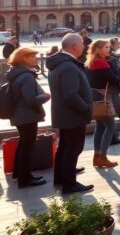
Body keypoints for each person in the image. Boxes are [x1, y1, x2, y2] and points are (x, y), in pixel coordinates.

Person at [47, 33, 94, 194]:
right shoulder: (68, 66)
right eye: (81, 44)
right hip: (72, 116)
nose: (84, 46)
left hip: (63, 114)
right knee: (73, 149)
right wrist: (86, 108)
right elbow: (71, 95)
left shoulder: (59, 63)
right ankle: (69, 184)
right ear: (74, 46)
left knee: (64, 147)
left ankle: (60, 178)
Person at [7, 48, 51, 188]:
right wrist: (45, 97)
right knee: (27, 147)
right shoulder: (26, 76)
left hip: (20, 115)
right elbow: (30, 99)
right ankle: (25, 179)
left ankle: (19, 174)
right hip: (27, 115)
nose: (36, 59)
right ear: (24, 58)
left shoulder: (15, 73)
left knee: (23, 145)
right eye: (33, 57)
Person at [85, 40, 120, 168]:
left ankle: (97, 156)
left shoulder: (91, 61)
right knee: (110, 126)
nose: (109, 49)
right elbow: (113, 78)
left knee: (100, 127)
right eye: (106, 47)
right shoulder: (101, 62)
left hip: (93, 96)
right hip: (102, 96)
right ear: (98, 49)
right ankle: (103, 157)